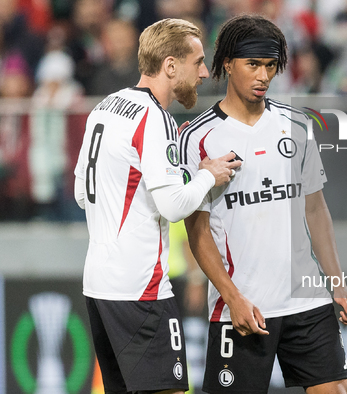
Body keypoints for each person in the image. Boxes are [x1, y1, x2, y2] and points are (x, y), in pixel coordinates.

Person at [180, 14, 347, 393]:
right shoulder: (197, 138)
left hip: (306, 301)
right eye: (253, 64)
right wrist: (232, 298)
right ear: (227, 64)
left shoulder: (297, 126)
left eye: (270, 65)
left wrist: (338, 284)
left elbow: (315, 209)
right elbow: (197, 232)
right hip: (243, 307)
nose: (263, 75)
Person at [73, 18, 241, 394]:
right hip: (140, 290)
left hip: (99, 285)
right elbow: (173, 207)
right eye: (197, 62)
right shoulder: (155, 118)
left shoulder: (104, 107)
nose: (203, 73)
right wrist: (207, 175)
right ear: (170, 65)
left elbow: (81, 192)